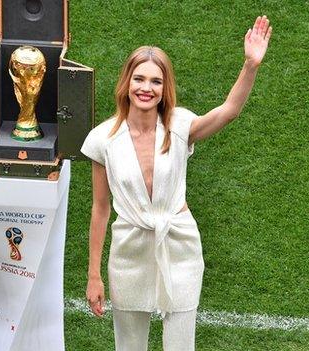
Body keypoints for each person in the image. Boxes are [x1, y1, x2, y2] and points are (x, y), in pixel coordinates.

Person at [82, 16, 272, 350]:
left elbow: (229, 111)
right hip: (129, 248)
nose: (146, 87)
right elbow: (100, 210)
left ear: (164, 88)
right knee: (129, 345)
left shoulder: (181, 125)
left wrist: (250, 65)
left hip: (180, 242)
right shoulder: (102, 139)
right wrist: (93, 275)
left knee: (181, 344)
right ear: (126, 83)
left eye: (155, 81)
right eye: (139, 78)